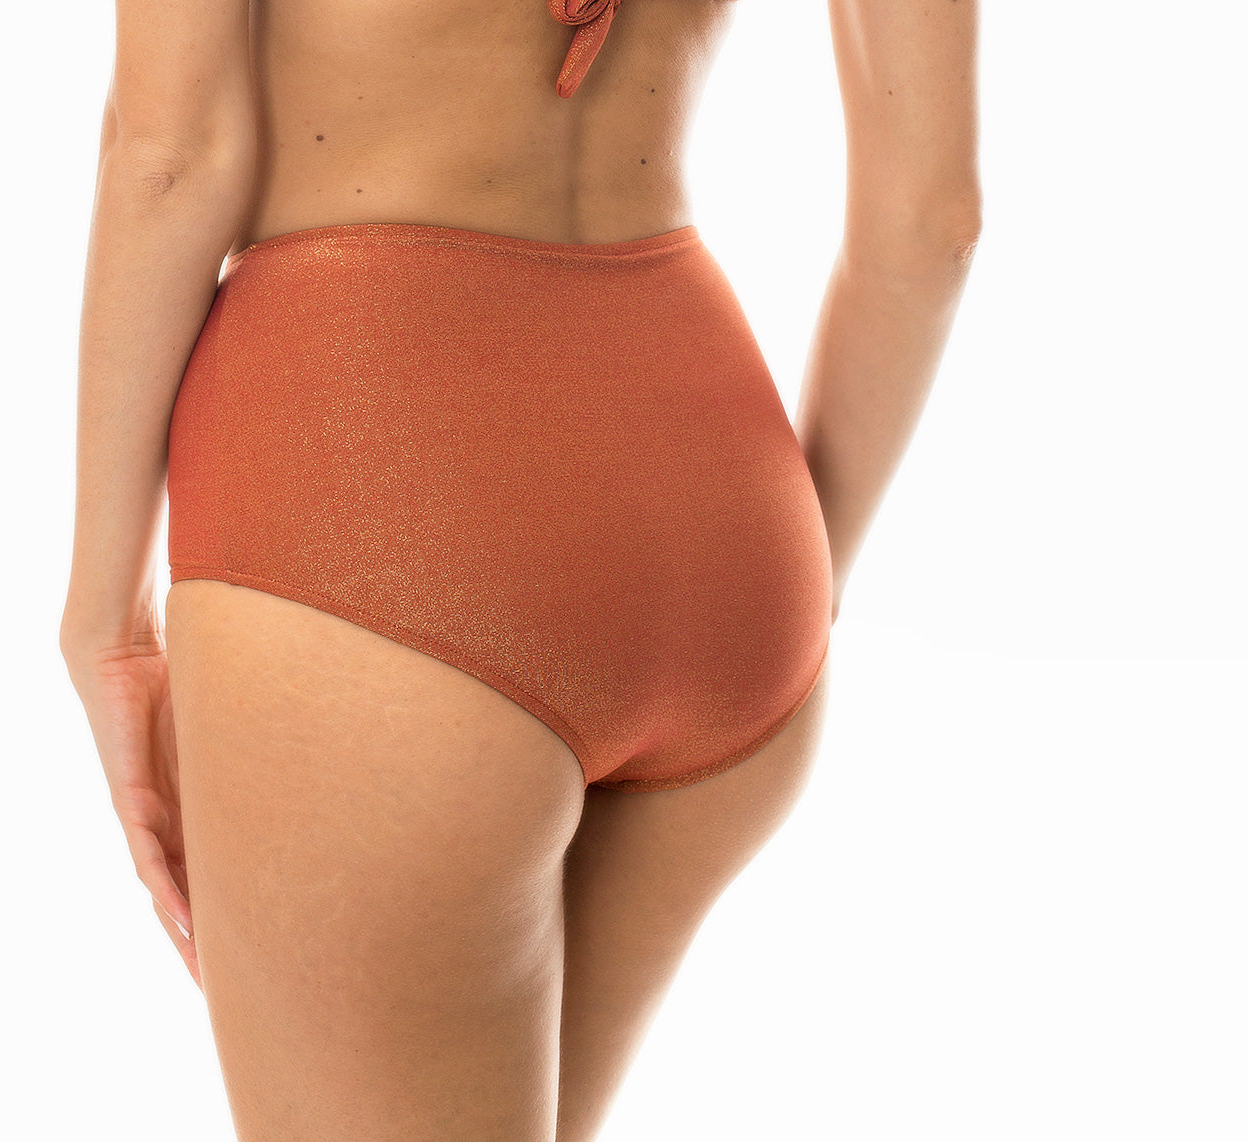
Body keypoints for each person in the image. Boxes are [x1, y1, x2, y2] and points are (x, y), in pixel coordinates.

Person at [60, 0, 980, 1137]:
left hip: (380, 485)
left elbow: (169, 156)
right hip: (723, 496)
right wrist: (793, 585)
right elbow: (930, 225)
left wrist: (107, 616)